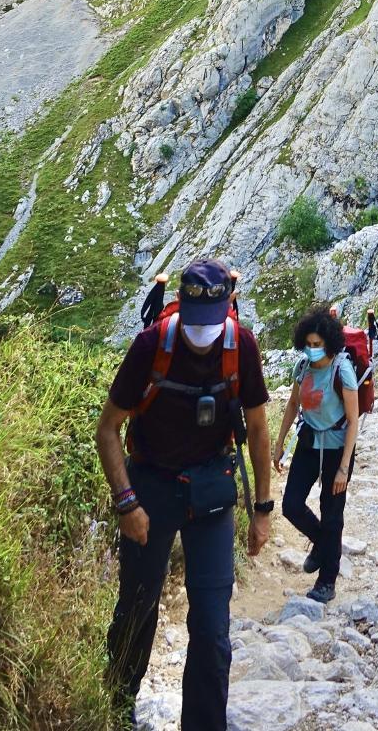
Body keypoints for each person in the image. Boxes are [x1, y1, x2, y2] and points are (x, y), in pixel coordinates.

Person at [96, 258, 273, 730]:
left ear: (228, 307)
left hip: (212, 494)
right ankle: (114, 711)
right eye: (194, 323)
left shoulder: (241, 346)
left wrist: (262, 510)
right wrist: (126, 502)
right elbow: (108, 428)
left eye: (210, 323)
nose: (201, 333)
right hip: (150, 487)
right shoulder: (151, 345)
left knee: (213, 627)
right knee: (137, 606)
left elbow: (257, 430)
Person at [272, 305, 360, 604]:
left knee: (332, 515)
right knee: (292, 505)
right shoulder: (303, 368)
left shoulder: (342, 370)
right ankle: (323, 546)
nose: (311, 350)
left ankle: (327, 581)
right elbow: (292, 405)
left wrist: (344, 469)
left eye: (317, 345)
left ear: (329, 343)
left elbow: (353, 420)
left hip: (336, 448)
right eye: (308, 345)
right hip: (309, 442)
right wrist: (280, 442)